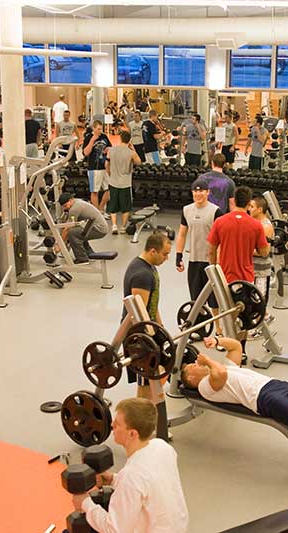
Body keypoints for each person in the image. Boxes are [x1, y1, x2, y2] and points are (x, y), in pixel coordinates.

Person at [181, 335, 288, 483]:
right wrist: (207, 360)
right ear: (191, 379)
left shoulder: (226, 367)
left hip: (276, 384)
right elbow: (221, 374)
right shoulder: (205, 387)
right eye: (192, 366)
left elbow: (236, 346)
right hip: (261, 397)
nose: (196, 363)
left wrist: (216, 341)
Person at [72, 397, 188, 533]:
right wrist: (113, 479)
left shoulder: (131, 476)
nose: (111, 426)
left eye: (117, 424)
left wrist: (85, 503)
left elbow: (114, 530)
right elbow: (149, 484)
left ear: (132, 434)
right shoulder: (162, 447)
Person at [123, 233, 172, 399]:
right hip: (140, 335)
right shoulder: (142, 275)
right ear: (153, 251)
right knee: (145, 380)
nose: (167, 258)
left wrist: (161, 328)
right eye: (165, 254)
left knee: (156, 373)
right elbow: (139, 313)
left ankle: (152, 408)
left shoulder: (149, 267)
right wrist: (149, 338)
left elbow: (152, 304)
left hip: (150, 329)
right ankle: (143, 417)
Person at [176, 178, 223, 309]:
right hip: (194, 260)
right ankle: (199, 327)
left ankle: (218, 329)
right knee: (196, 301)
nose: (198, 194)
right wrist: (178, 256)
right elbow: (182, 234)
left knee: (215, 301)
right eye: (195, 192)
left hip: (211, 262)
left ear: (208, 192)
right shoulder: (186, 210)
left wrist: (219, 261)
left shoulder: (216, 211)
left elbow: (222, 238)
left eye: (201, 191)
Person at [207, 186, 269, 284]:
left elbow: (211, 251)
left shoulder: (219, 222)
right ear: (249, 204)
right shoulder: (257, 225)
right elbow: (264, 253)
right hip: (246, 278)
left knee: (223, 299)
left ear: (234, 201)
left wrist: (214, 271)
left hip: (224, 277)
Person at [56, 193, 108, 265]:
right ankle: (90, 254)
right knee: (79, 231)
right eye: (63, 207)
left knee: (72, 233)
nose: (65, 208)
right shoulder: (77, 201)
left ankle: (82, 259)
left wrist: (59, 245)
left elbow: (67, 228)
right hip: (97, 227)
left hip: (99, 229)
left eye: (65, 205)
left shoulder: (74, 209)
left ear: (70, 200)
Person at [105, 130, 140, 234]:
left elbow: (106, 164)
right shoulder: (131, 153)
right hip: (125, 183)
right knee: (125, 207)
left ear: (120, 138)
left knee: (113, 206)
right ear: (129, 140)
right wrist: (134, 150)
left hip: (113, 182)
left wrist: (109, 173)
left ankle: (114, 225)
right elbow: (139, 162)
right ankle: (123, 227)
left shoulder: (111, 150)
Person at [249, 195, 275, 301]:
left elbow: (264, 252)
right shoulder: (253, 222)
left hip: (260, 271)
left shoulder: (265, 227)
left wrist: (242, 249)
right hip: (250, 269)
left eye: (252, 206)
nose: (249, 209)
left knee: (259, 301)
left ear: (259, 210)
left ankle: (266, 316)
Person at [83, 119, 112, 212]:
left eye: (101, 129)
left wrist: (108, 149)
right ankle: (97, 213)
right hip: (94, 168)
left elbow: (110, 147)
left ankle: (101, 209)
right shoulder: (88, 137)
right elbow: (86, 152)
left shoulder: (104, 136)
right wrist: (92, 140)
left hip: (105, 167)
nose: (100, 131)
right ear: (93, 128)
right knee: (94, 191)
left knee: (109, 189)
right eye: (98, 129)